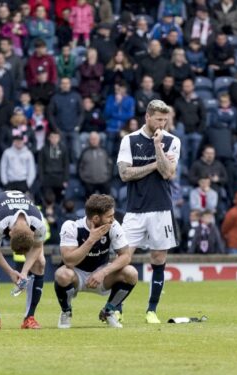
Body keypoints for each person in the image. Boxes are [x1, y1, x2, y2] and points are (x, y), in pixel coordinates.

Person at [116, 99, 181, 324]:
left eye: (165, 119)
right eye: (159, 119)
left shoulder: (173, 141)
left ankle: (151, 310)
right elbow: (125, 174)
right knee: (122, 258)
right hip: (134, 209)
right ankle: (116, 308)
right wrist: (154, 164)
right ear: (148, 117)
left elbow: (167, 173)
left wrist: (157, 149)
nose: (162, 124)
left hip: (161, 208)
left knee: (158, 257)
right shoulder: (129, 140)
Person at [54, 194, 136, 329]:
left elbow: (126, 256)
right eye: (109, 216)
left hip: (101, 274)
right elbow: (69, 261)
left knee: (131, 273)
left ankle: (108, 311)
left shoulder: (113, 226)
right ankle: (66, 312)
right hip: (76, 275)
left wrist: (103, 272)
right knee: (62, 274)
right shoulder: (71, 226)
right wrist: (91, 240)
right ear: (96, 218)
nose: (113, 219)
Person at [0, 190, 48, 330]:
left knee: (40, 263)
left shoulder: (39, 223)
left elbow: (38, 246)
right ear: (9, 233)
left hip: (15, 215)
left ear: (32, 232)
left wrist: (24, 272)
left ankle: (29, 318)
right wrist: (10, 272)